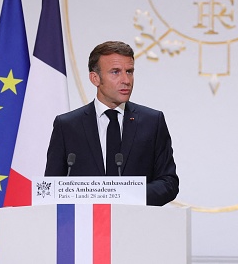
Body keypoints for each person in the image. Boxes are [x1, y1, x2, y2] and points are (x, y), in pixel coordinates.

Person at [44, 41, 179, 206]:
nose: (126, 80)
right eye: (115, 72)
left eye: (129, 72)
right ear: (95, 78)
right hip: (84, 227)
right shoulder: (67, 126)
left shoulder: (152, 122)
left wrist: (125, 194)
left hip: (136, 225)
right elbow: (51, 188)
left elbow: (169, 183)